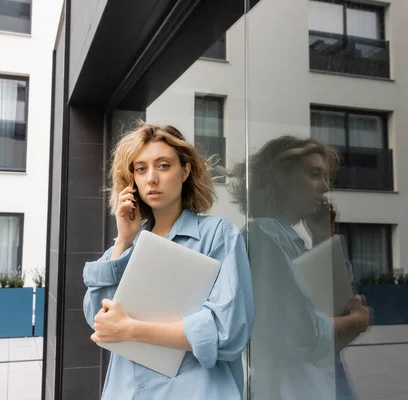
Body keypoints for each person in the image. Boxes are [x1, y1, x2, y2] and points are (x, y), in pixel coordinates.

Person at [82, 123, 254, 400]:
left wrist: (131, 329)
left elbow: (227, 332)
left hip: (197, 390)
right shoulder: (128, 243)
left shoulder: (218, 235)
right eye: (141, 169)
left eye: (163, 166)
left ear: (185, 171)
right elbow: (99, 322)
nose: (151, 178)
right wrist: (123, 241)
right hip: (127, 389)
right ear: (132, 180)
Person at [246, 135, 371, 400]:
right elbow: (296, 333)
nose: (325, 187)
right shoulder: (265, 234)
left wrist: (323, 237)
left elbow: (337, 304)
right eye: (315, 175)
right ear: (281, 175)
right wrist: (356, 322)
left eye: (326, 178)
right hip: (294, 387)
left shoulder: (288, 238)